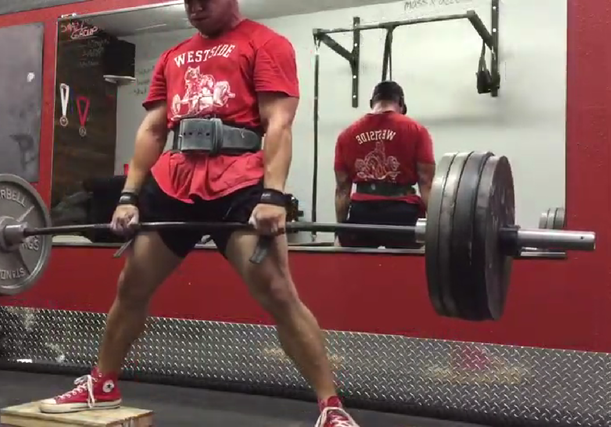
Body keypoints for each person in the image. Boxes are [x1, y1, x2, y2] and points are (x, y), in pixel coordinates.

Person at [40, 1, 360, 426]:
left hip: (240, 182)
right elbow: (154, 129)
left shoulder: (266, 43)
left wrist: (273, 195)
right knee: (131, 286)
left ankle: (331, 407)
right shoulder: (174, 56)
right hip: (175, 183)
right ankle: (103, 384)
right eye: (188, 0)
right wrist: (129, 196)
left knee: (279, 293)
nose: (195, 7)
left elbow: (278, 123)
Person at [334, 81, 436, 248]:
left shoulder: (346, 135)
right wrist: (433, 232)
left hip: (361, 216)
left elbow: (342, 191)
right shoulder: (416, 130)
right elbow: (427, 184)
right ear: (401, 104)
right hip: (402, 217)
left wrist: (341, 231)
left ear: (371, 103)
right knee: (409, 271)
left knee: (352, 270)